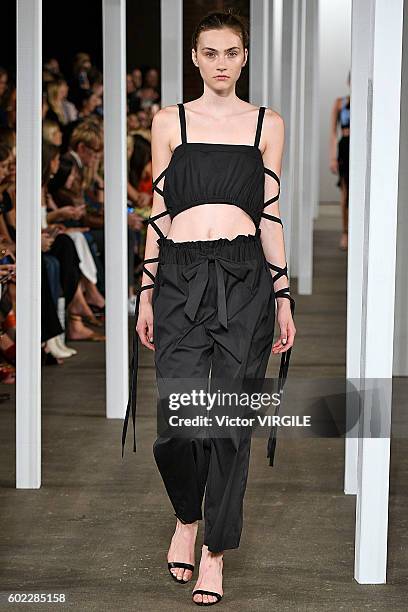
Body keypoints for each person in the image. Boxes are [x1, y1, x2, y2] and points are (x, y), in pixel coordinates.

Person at [122, 10, 296, 606]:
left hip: (246, 279)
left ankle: (214, 554)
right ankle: (185, 517)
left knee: (229, 425)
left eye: (231, 53)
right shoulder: (168, 121)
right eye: (210, 53)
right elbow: (159, 212)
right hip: (179, 279)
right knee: (177, 426)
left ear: (243, 58)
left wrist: (282, 294)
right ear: (194, 59)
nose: (221, 64)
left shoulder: (266, 124)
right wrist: (145, 292)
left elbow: (270, 214)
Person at [330, 71, 350, 250]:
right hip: (345, 148)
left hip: (358, 148)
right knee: (345, 193)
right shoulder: (340, 103)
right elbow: (332, 132)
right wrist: (332, 157)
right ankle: (345, 233)